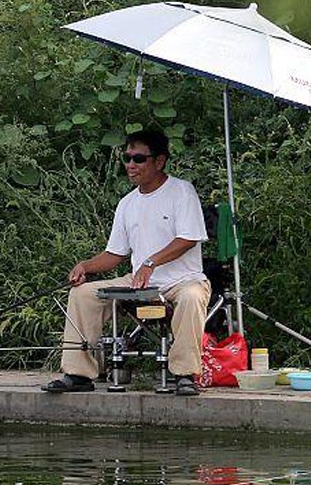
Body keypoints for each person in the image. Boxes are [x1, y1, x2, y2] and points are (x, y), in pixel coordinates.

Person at [43, 128, 210, 396]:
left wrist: (150, 263)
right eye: (127, 158)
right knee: (83, 294)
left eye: (138, 159)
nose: (131, 165)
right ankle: (79, 374)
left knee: (192, 296)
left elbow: (188, 239)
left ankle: (185, 375)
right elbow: (115, 254)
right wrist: (85, 266)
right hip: (138, 283)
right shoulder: (127, 203)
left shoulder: (182, 191)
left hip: (183, 280)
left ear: (159, 161)